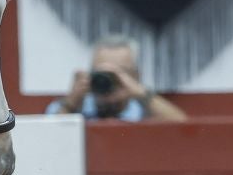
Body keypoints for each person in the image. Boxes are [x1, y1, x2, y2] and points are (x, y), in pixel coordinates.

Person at [50, 37, 187, 120]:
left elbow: (182, 128)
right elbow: (47, 138)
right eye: (102, 72)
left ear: (135, 76)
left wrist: (140, 93)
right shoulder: (71, 106)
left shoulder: (146, 109)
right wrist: (71, 104)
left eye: (120, 72)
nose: (110, 79)